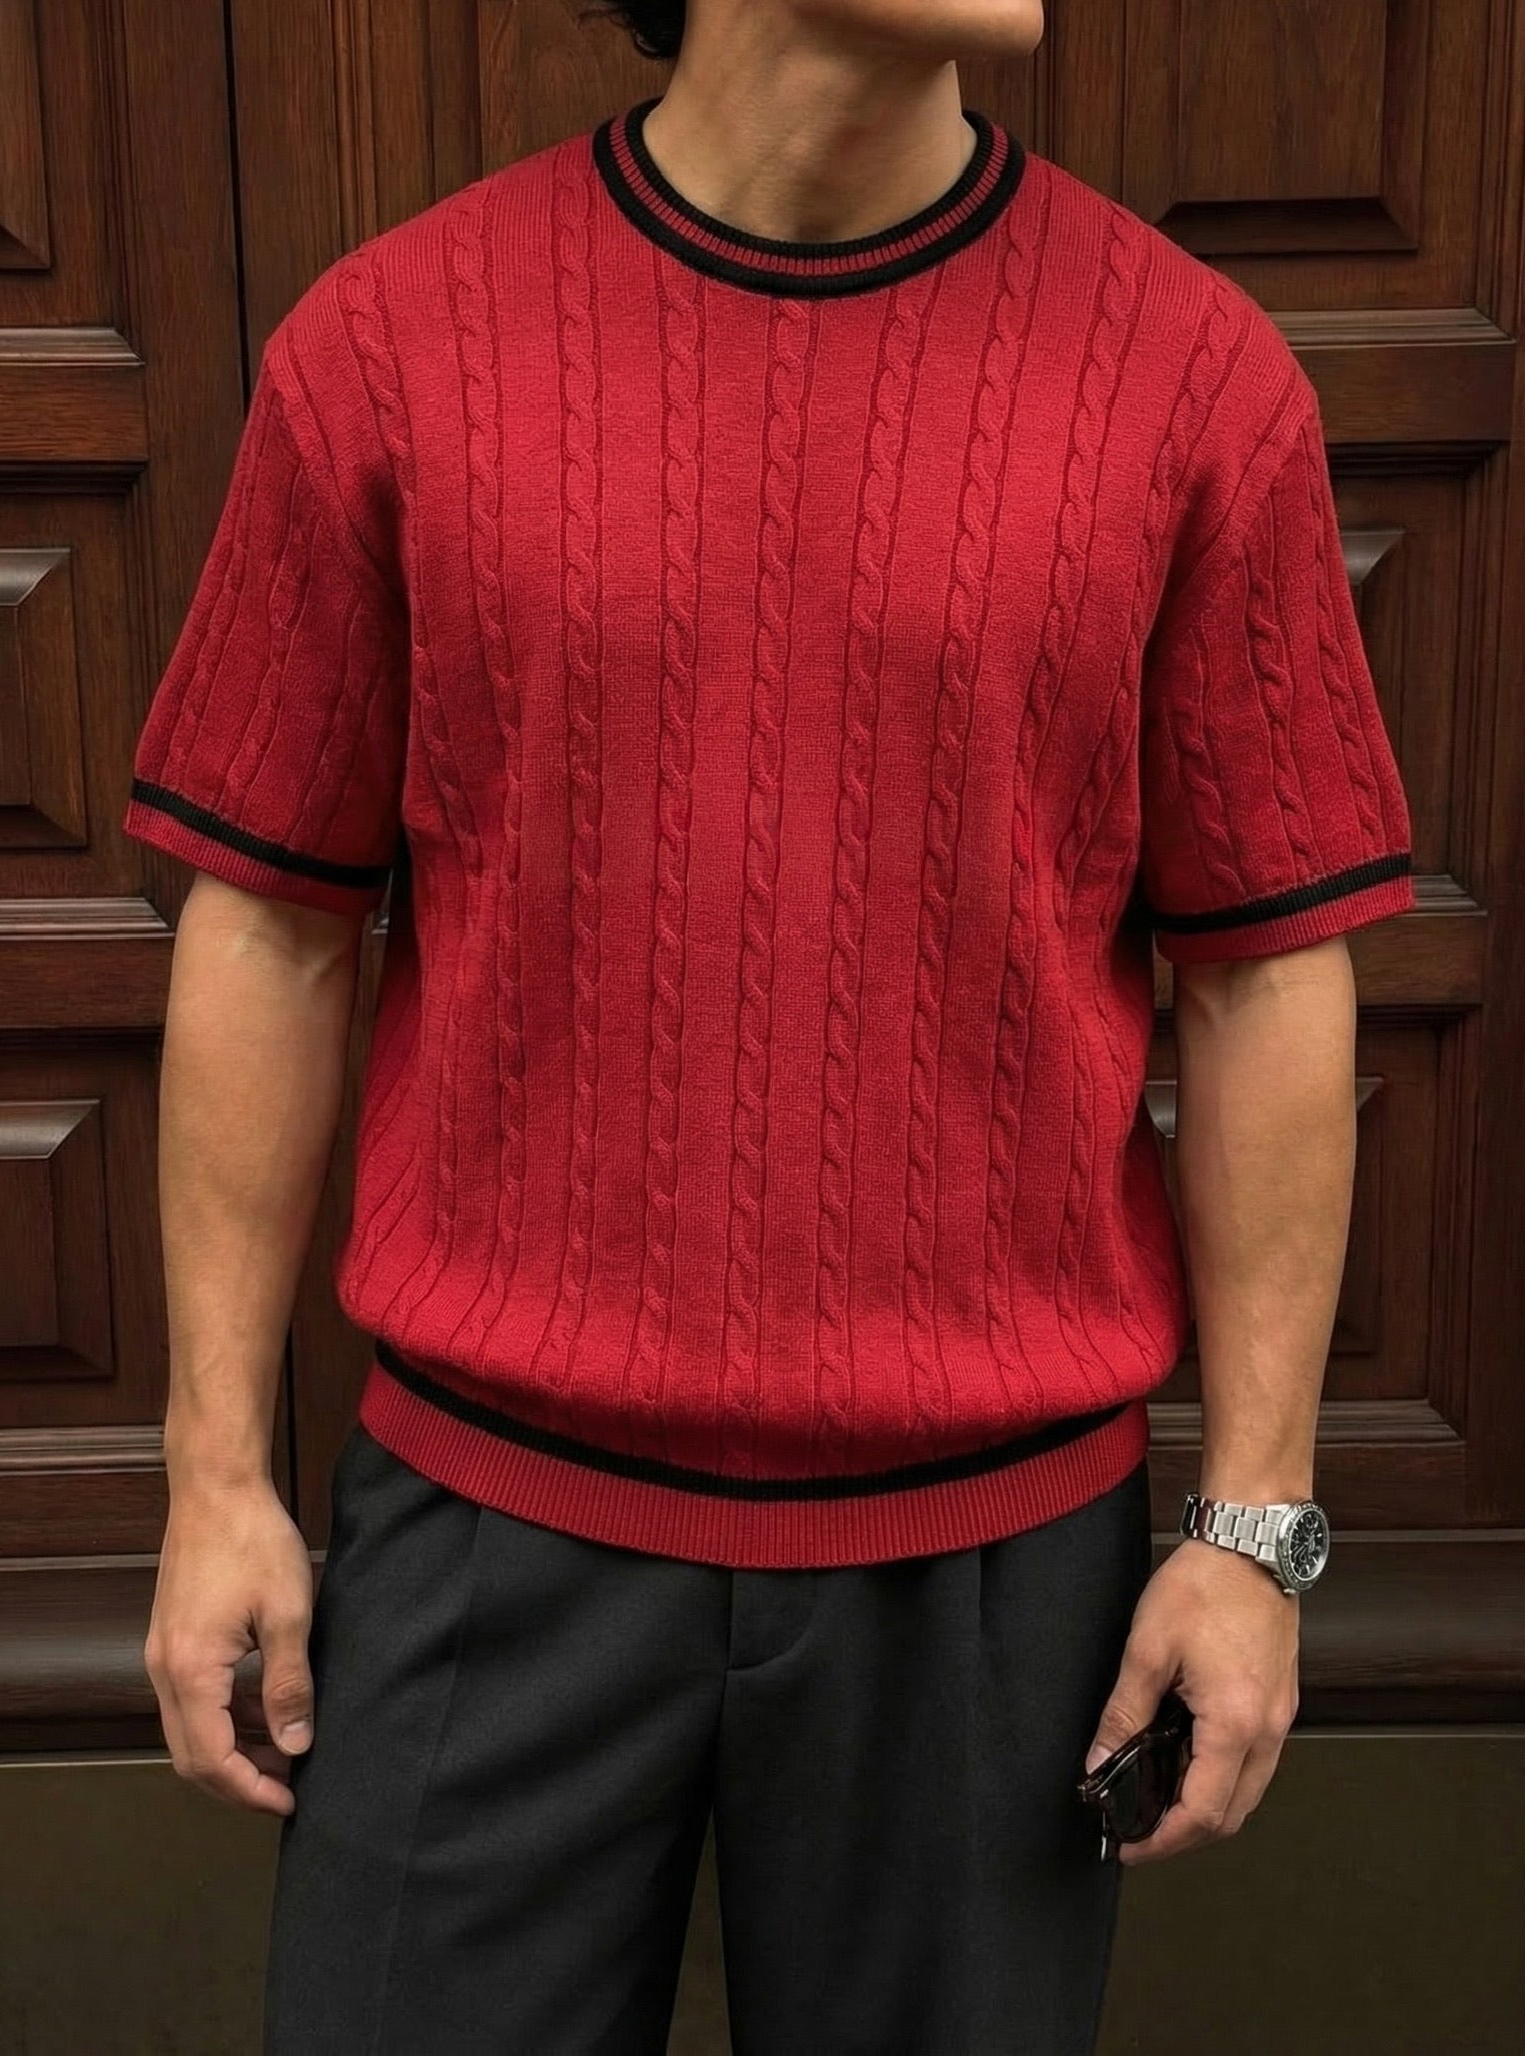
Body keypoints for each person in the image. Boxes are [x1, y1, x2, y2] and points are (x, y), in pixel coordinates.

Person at [127, 2, 1415, 2050]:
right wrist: (214, 1473)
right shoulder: (387, 346)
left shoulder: (1196, 379)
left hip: (993, 1574)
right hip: (485, 1535)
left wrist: (1256, 1527)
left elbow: (1264, 971)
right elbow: (271, 928)